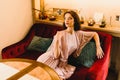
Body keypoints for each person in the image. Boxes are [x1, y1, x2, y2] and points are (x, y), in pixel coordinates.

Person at [37, 10, 104, 80]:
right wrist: (56, 40)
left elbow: (94, 34)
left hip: (61, 64)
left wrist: (98, 47)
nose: (67, 20)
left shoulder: (78, 34)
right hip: (49, 60)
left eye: (70, 18)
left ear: (75, 21)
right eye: (65, 18)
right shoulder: (60, 34)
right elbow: (56, 55)